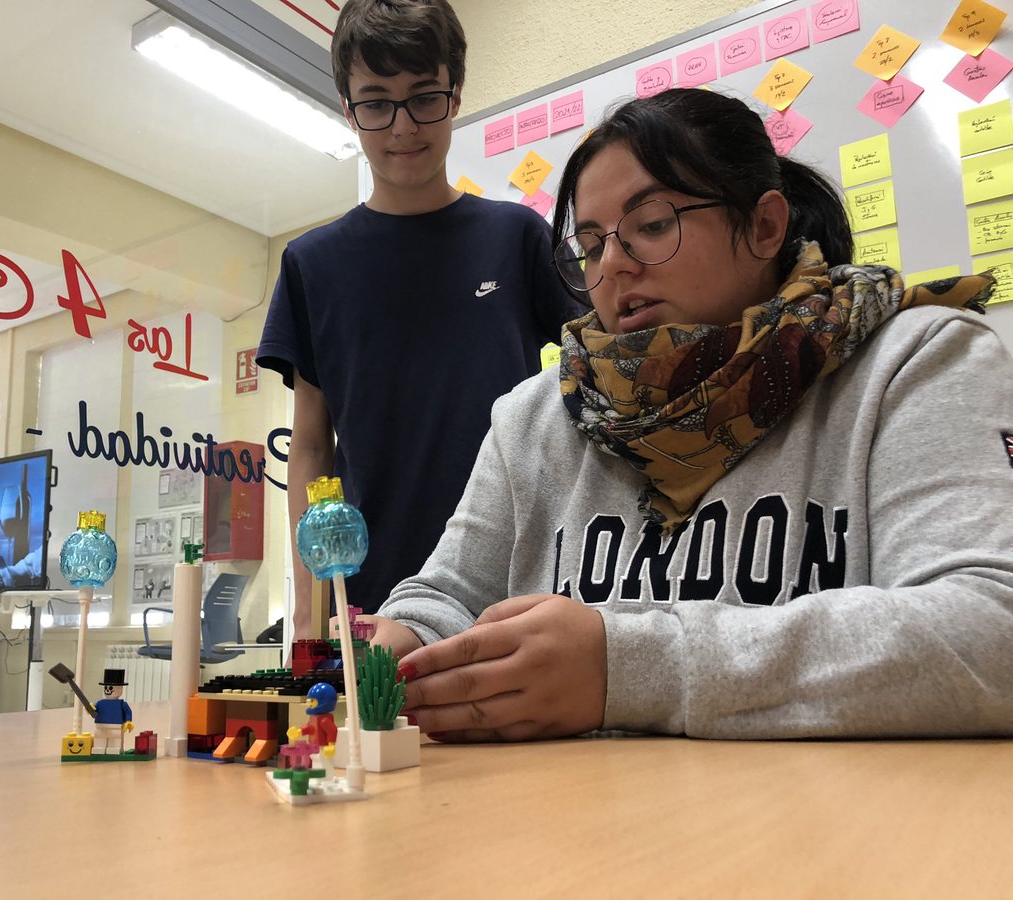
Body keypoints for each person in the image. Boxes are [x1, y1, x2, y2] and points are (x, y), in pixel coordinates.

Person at [370, 88, 1013, 741]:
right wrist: (399, 640)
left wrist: (631, 669)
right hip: (577, 827)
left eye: (651, 225)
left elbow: (993, 630)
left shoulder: (913, 361)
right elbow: (447, 600)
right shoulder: (536, 417)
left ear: (764, 226)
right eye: (591, 246)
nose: (613, 266)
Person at [257, 0, 581, 640]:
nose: (403, 126)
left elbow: (599, 380)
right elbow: (313, 447)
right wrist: (307, 610)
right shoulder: (311, 265)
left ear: (455, 95)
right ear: (349, 111)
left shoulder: (517, 237)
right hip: (371, 596)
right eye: (376, 102)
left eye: (423, 96)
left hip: (514, 584)